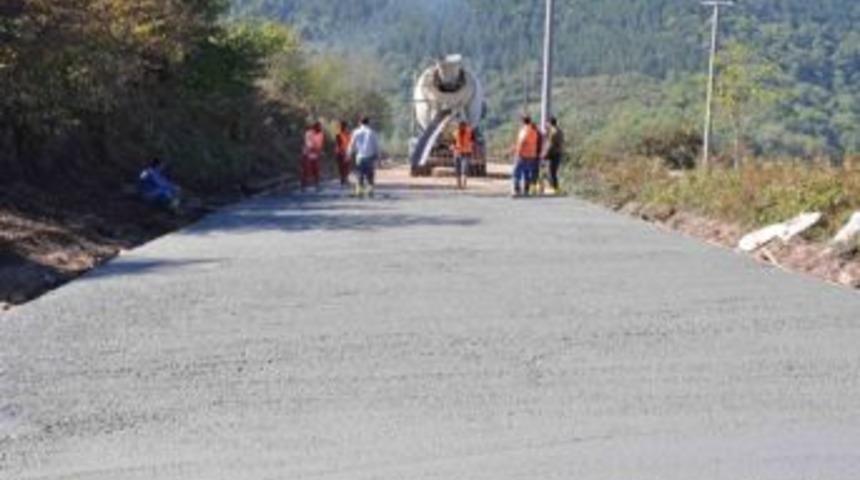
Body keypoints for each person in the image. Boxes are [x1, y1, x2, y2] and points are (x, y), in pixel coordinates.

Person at [348, 117, 381, 198]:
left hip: (359, 157)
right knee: (370, 175)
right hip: (370, 157)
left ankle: (359, 191)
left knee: (360, 174)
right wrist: (378, 155)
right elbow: (376, 145)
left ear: (360, 122)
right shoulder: (372, 132)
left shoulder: (356, 132)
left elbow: (351, 144)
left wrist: (348, 154)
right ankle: (370, 190)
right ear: (368, 123)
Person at [512, 116, 541, 197]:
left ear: (523, 122)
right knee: (527, 173)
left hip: (522, 155)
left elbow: (521, 142)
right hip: (532, 155)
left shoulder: (524, 130)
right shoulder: (534, 131)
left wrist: (517, 152)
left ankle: (517, 190)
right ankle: (526, 190)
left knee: (516, 173)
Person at [542, 117, 565, 193]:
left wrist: (545, 155)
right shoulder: (559, 131)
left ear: (549, 123)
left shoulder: (553, 132)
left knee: (551, 172)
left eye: (547, 123)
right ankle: (554, 188)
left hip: (553, 154)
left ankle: (554, 188)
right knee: (553, 172)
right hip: (558, 153)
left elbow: (550, 145)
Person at [301, 121, 325, 192]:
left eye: (321, 127)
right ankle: (303, 186)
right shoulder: (308, 133)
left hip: (315, 155)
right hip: (307, 154)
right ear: (315, 127)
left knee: (316, 171)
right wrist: (314, 148)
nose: (320, 128)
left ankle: (317, 185)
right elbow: (308, 143)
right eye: (319, 127)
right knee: (306, 171)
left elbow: (320, 144)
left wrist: (319, 151)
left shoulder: (321, 134)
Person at [452, 121, 475, 190]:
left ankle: (464, 185)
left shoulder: (470, 132)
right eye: (460, 126)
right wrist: (453, 147)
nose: (461, 127)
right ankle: (458, 185)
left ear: (465, 126)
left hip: (466, 153)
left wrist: (470, 146)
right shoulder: (455, 133)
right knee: (457, 170)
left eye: (463, 126)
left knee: (464, 170)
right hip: (457, 153)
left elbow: (473, 141)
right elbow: (453, 142)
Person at [334, 120, 353, 187]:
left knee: (346, 167)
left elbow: (350, 144)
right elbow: (338, 145)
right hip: (341, 153)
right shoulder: (338, 135)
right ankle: (343, 180)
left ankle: (345, 179)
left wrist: (348, 152)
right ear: (344, 127)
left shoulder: (348, 134)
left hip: (345, 152)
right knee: (342, 167)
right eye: (346, 127)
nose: (347, 128)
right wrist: (344, 152)